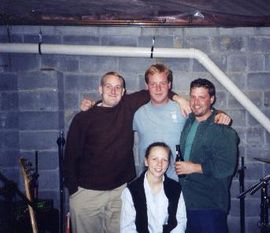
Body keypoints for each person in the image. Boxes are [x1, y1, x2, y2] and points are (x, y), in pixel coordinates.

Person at [63, 71, 187, 233]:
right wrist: (74, 191)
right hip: (88, 194)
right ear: (100, 89)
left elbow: (157, 89)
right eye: (109, 86)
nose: (113, 91)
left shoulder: (128, 106)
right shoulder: (83, 118)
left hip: (119, 193)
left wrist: (179, 98)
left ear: (123, 91)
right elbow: (70, 155)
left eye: (118, 87)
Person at [133, 64, 231, 180]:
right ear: (147, 86)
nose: (158, 88)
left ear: (169, 85)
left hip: (176, 182)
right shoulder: (138, 114)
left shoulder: (183, 109)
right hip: (147, 181)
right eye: (153, 84)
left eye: (162, 83)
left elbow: (204, 111)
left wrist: (219, 113)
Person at [175, 78, 239, 233]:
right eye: (193, 97)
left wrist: (193, 168)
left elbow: (226, 168)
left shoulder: (222, 130)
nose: (196, 102)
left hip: (210, 204)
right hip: (188, 201)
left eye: (201, 97)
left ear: (211, 99)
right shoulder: (189, 121)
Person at [120, 142, 187, 233]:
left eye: (164, 160)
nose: (159, 164)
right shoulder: (131, 191)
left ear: (168, 164)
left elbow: (180, 221)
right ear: (146, 161)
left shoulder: (175, 188)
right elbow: (127, 228)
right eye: (154, 159)